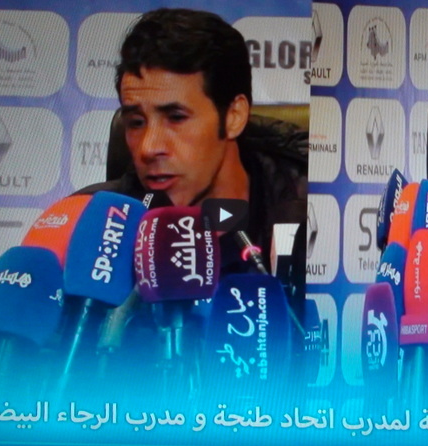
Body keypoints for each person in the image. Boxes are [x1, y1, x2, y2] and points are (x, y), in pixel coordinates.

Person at [78, 8, 308, 275]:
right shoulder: (90, 224)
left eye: (176, 118)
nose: (148, 148)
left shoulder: (315, 216)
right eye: (137, 122)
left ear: (233, 117)